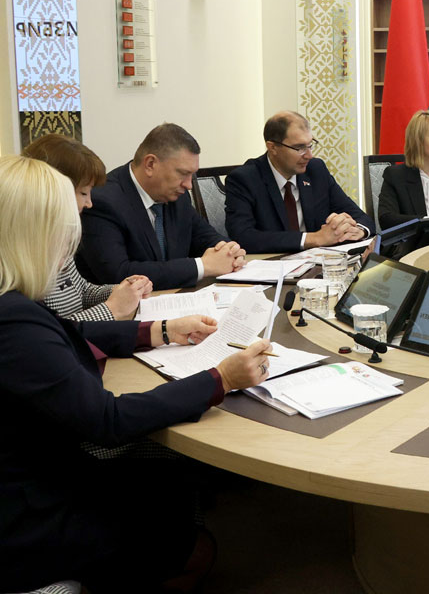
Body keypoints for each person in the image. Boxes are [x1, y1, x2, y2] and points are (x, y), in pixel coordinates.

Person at [0, 155, 271, 593]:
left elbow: (68, 333)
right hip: (29, 520)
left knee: (168, 481)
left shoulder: (12, 303)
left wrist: (157, 330)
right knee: (191, 541)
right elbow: (108, 421)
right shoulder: (12, 319)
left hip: (37, 477)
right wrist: (220, 379)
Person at [78, 123, 246, 290]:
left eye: (192, 175)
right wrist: (202, 266)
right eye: (183, 173)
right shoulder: (103, 202)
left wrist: (230, 251)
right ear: (150, 164)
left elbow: (205, 237)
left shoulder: (176, 196)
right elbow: (118, 274)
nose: (189, 185)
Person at [23, 134, 151, 320]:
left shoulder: (59, 234)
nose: (89, 203)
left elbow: (82, 291)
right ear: (54, 190)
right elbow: (49, 330)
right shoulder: (22, 251)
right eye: (83, 193)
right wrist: (112, 309)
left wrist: (122, 291)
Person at [224, 111, 374, 252]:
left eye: (310, 145)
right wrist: (314, 238)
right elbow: (243, 236)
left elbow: (359, 216)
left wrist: (358, 230)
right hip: (273, 265)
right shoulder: (245, 179)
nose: (309, 155)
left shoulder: (316, 170)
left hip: (317, 262)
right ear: (272, 147)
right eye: (299, 148)